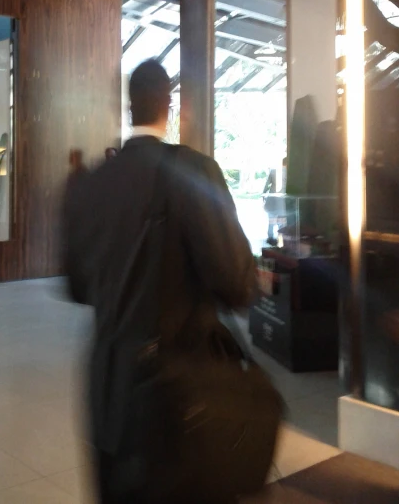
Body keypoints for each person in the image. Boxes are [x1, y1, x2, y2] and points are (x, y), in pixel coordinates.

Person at [62, 60, 255, 504]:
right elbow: (237, 284)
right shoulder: (193, 172)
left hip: (107, 395)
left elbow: (78, 287)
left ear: (129, 107)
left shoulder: (90, 183)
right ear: (169, 104)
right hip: (178, 402)